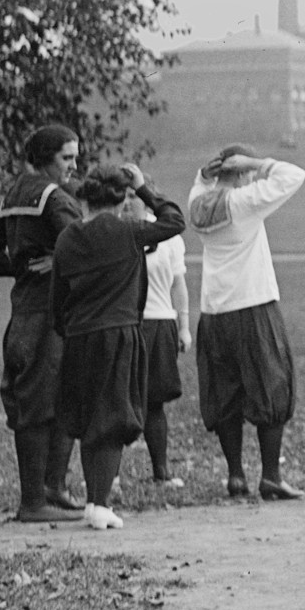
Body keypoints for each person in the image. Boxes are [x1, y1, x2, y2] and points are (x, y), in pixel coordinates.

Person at [50, 166, 186, 528]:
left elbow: (57, 298)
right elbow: (174, 220)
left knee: (90, 416)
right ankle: (98, 502)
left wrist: (69, 329)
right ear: (121, 199)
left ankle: (96, 501)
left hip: (79, 336)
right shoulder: (129, 232)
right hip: (119, 334)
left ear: (85, 199)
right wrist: (143, 188)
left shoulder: (66, 238)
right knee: (113, 418)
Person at [0, 124, 85, 522]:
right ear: (45, 159)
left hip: (24, 312)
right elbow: (86, 243)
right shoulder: (55, 197)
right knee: (43, 402)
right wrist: (55, 263)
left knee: (49, 398)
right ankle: (35, 501)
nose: (74, 165)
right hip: (51, 316)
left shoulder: (14, 193)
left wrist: (19, 269)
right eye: (67, 158)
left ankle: (52, 489)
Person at [188, 146, 305, 499]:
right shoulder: (244, 203)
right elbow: (293, 175)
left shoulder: (198, 205)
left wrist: (203, 174)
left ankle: (235, 475)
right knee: (272, 387)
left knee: (225, 392)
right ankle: (270, 475)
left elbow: (199, 187)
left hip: (214, 310)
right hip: (253, 305)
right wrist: (257, 164)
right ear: (240, 173)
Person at [131, 189, 193, 486]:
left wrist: (184, 326)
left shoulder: (169, 238)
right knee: (123, 399)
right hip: (127, 324)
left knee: (154, 402)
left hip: (159, 323)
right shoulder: (115, 232)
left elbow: (178, 285)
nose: (128, 201)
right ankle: (110, 475)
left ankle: (161, 471)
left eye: (134, 195)